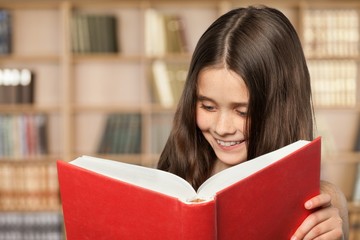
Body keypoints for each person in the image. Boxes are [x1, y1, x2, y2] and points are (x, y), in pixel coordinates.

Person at [157, 5, 349, 240]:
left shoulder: (323, 204)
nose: (222, 128)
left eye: (242, 112)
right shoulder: (172, 184)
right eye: (208, 107)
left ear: (281, 109)